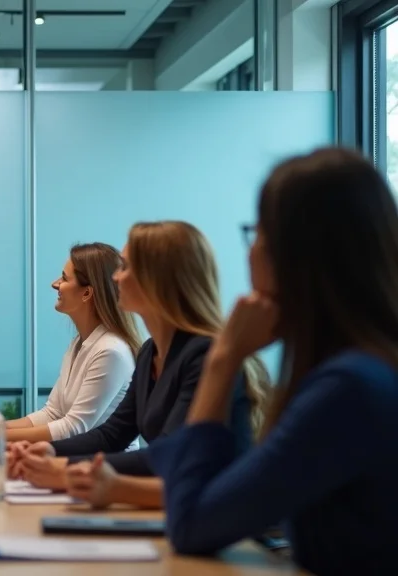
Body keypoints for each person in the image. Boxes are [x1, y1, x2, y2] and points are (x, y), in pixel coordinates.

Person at [150, 148, 398, 575]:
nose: (250, 253)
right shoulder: (366, 371)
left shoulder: (347, 389)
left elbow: (192, 523)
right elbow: (237, 486)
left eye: (258, 234)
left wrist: (223, 360)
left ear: (296, 255)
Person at [9, 221, 270, 496]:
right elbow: (113, 434)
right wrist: (49, 450)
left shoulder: (202, 356)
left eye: (125, 267)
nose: (116, 278)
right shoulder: (149, 352)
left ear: (158, 281)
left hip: (216, 522)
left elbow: (164, 454)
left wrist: (62, 468)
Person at [0, 243, 140, 444]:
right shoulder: (79, 344)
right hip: (76, 462)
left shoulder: (111, 352)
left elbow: (74, 427)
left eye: (65, 279)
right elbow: (53, 412)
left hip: (104, 467)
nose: (55, 284)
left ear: (87, 293)